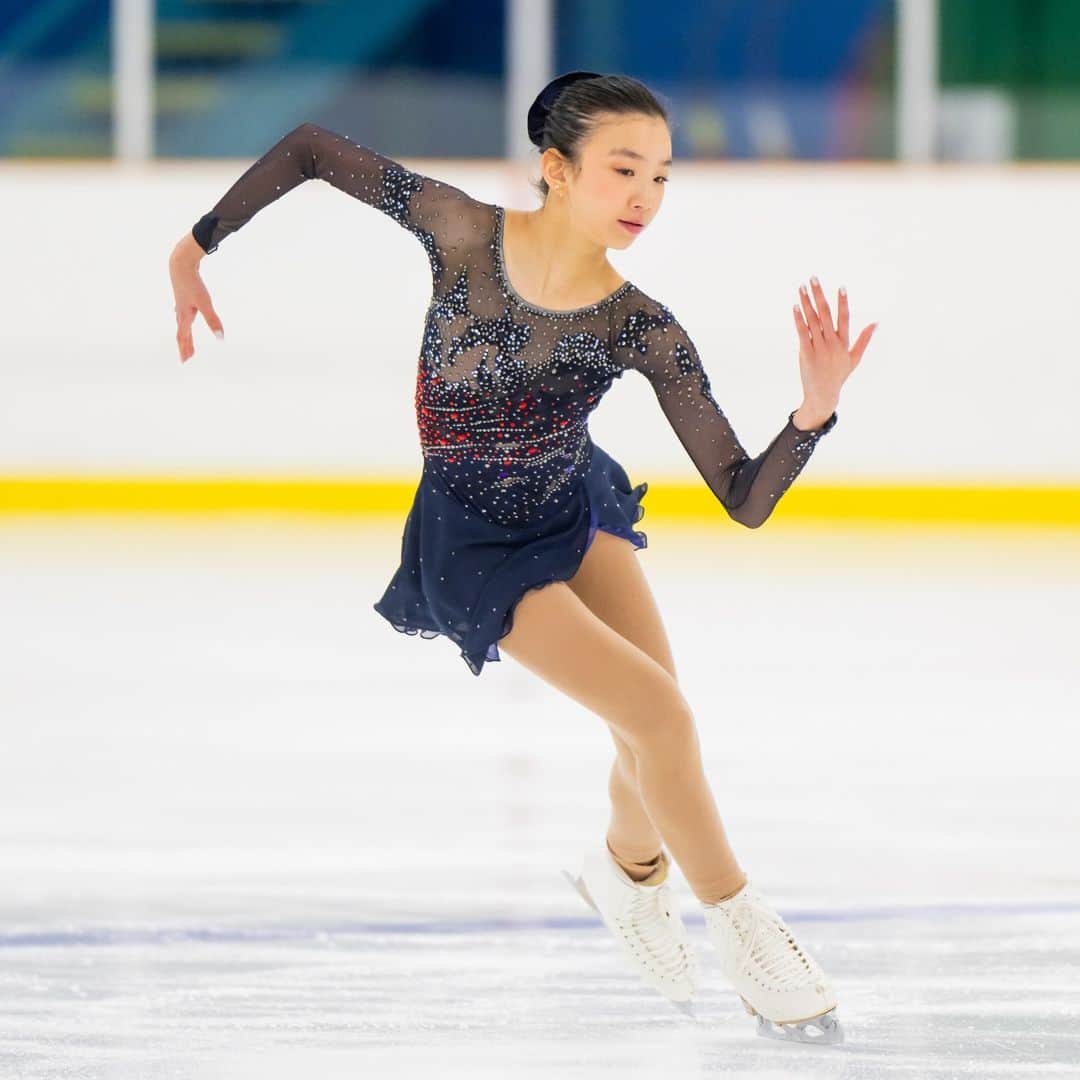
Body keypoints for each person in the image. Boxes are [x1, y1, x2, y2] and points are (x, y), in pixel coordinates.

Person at [168, 71, 876, 1044]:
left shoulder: (639, 326)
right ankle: (745, 928)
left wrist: (812, 412)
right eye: (624, 170)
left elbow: (744, 499)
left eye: (662, 178)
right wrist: (198, 243)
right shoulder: (461, 233)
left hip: (573, 504)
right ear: (557, 167)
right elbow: (308, 148)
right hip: (477, 547)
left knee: (654, 731)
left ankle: (626, 879)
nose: (644, 198)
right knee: (661, 717)